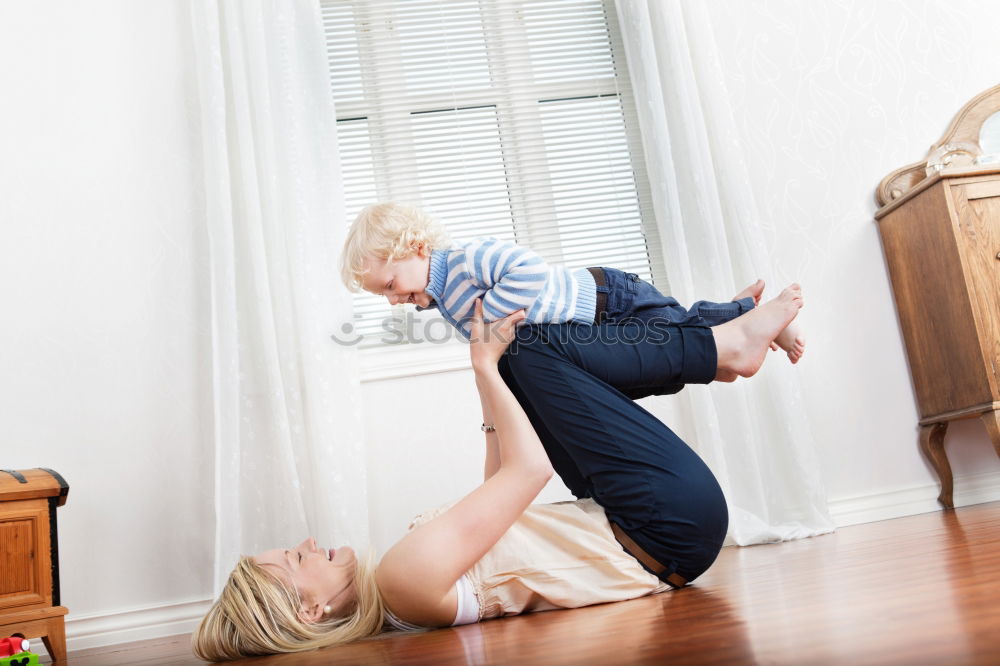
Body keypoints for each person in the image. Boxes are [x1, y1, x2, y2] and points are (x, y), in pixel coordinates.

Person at [191, 284, 804, 660]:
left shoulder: (404, 593)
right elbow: (530, 470)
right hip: (663, 522)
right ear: (310, 614)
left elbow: (499, 493)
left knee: (521, 358)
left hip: (659, 531)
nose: (305, 544)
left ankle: (718, 345)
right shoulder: (404, 580)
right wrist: (484, 365)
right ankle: (719, 347)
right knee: (533, 347)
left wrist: (491, 378)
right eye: (295, 560)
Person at [340, 201, 805, 365]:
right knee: (675, 333)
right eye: (385, 295)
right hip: (592, 324)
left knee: (675, 329)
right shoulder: (442, 298)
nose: (394, 299)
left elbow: (529, 270)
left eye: (390, 284)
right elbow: (493, 341)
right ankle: (737, 309)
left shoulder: (466, 259)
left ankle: (757, 316)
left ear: (417, 247)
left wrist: (491, 317)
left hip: (606, 297)